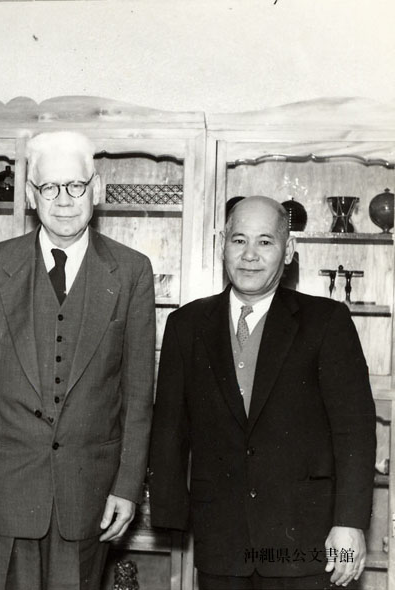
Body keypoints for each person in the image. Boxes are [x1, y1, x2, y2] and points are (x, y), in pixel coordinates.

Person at [0, 131, 156, 590]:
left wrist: (127, 487)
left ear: (96, 190)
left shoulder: (132, 271)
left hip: (89, 493)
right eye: (49, 188)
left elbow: (138, 396)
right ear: (30, 195)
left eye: (76, 186)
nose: (64, 200)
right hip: (2, 493)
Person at [149, 196, 376, 590]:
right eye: (239, 240)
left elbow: (354, 432)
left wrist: (350, 524)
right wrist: (170, 515)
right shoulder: (186, 324)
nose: (249, 255)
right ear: (222, 245)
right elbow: (170, 427)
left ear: (288, 251)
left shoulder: (326, 321)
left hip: (306, 542)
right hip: (221, 542)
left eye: (265, 242)